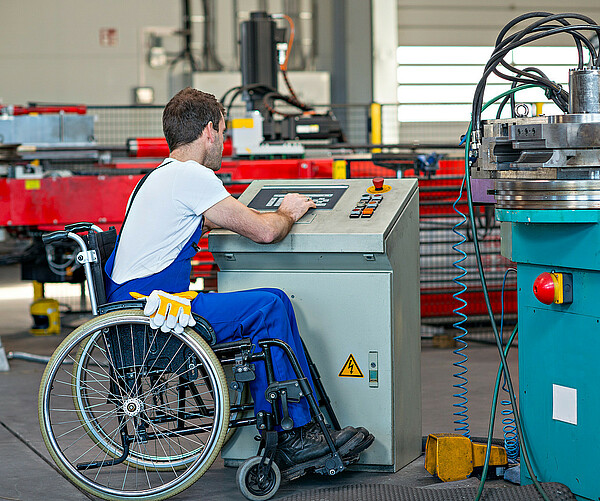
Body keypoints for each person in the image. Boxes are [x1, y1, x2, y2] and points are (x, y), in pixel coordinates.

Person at [104, 87, 373, 473]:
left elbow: (199, 219)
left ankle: (290, 426)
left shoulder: (155, 178)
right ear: (209, 131)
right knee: (269, 305)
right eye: (224, 134)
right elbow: (266, 233)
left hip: (135, 309)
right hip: (154, 317)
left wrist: (231, 216)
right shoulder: (192, 176)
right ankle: (296, 432)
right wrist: (288, 211)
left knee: (269, 302)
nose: (224, 144)